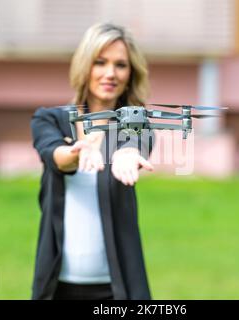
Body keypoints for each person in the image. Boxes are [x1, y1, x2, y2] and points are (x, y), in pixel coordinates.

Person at [30, 22, 155, 300]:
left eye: (120, 65)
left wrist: (128, 153)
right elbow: (56, 155)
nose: (110, 73)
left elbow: (137, 139)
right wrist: (74, 154)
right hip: (57, 288)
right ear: (85, 66)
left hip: (117, 290)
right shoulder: (49, 119)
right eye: (100, 62)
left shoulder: (134, 121)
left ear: (130, 72)